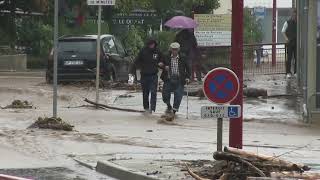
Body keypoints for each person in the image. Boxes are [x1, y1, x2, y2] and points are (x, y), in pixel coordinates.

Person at [129, 39, 164, 114]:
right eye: (150, 44)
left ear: (155, 44)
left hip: (154, 75)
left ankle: (152, 108)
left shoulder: (158, 51)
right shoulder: (143, 51)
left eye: (153, 44)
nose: (152, 45)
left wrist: (161, 63)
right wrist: (132, 72)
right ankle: (146, 108)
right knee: (145, 93)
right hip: (144, 75)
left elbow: (163, 60)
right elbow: (136, 61)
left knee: (154, 92)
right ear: (148, 44)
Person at [161, 42, 191, 115]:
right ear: (171, 49)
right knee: (165, 95)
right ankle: (168, 106)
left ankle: (174, 111)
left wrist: (187, 77)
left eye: (176, 49)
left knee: (178, 95)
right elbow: (160, 64)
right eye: (173, 49)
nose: (175, 51)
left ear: (179, 49)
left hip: (179, 79)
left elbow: (188, 68)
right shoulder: (166, 56)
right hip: (168, 78)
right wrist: (164, 66)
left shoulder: (183, 57)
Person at [282, 9, 297, 78]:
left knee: (297, 57)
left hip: (297, 42)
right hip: (290, 43)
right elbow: (283, 31)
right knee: (289, 58)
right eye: (293, 14)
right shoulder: (287, 22)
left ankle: (296, 72)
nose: (294, 16)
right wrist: (286, 39)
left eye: (295, 14)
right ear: (291, 14)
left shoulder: (298, 23)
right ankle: (288, 72)